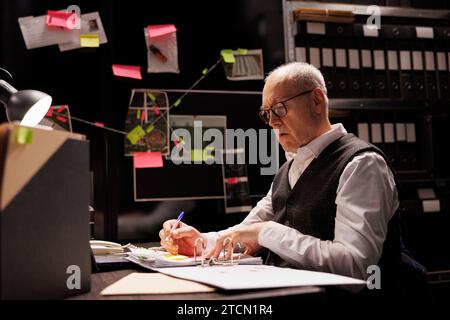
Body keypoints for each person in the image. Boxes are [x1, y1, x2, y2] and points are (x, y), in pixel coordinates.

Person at [159, 62, 428, 297]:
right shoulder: (290, 168)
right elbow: (247, 231)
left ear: (316, 100)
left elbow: (356, 267)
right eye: (267, 114)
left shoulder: (362, 165)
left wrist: (266, 233)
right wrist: (201, 242)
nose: (273, 123)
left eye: (279, 109)